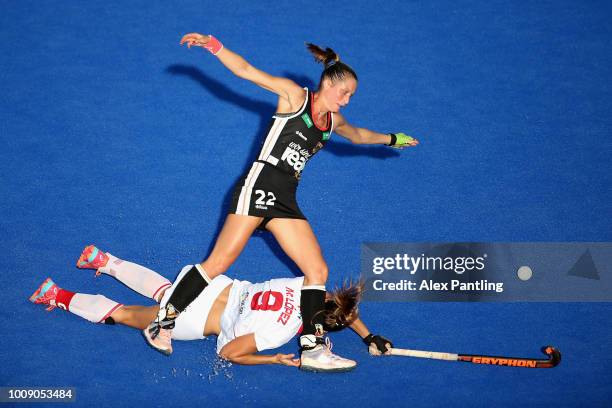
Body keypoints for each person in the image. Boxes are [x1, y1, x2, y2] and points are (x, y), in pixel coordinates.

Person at [144, 33, 416, 371]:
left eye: (351, 96)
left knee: (317, 270)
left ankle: (313, 346)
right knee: (216, 264)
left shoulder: (334, 122)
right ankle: (164, 322)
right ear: (327, 84)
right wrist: (212, 44)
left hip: (285, 198)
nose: (346, 101)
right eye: (344, 93)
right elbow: (245, 70)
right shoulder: (293, 97)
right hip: (258, 185)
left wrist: (391, 139)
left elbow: (359, 135)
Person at [29, 245, 393, 369]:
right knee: (125, 314)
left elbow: (340, 309)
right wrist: (275, 359)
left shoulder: (305, 285)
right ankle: (56, 295)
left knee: (165, 292)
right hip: (196, 320)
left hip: (210, 284)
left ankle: (103, 260)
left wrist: (369, 334)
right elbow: (230, 353)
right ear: (320, 329)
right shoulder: (278, 332)